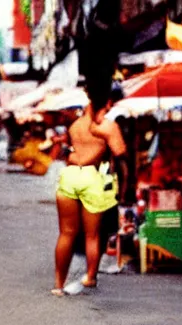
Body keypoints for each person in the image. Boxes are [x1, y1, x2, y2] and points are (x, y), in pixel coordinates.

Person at [53, 83, 129, 294]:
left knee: (66, 233)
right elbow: (121, 155)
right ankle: (89, 277)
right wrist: (123, 189)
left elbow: (67, 152)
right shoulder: (107, 126)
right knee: (92, 235)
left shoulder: (75, 125)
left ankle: (58, 284)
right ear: (108, 102)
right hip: (92, 176)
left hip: (69, 176)